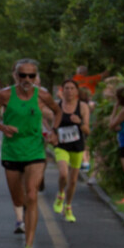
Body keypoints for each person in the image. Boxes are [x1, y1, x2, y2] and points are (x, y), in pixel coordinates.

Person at [0, 59, 61, 248]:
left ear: (36, 77)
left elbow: (58, 111)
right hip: (12, 152)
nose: (27, 79)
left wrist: (54, 131)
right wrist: (3, 128)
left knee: (32, 194)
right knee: (18, 199)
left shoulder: (42, 95)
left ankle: (28, 246)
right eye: (22, 75)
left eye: (31, 75)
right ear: (16, 76)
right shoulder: (5, 95)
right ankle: (23, 212)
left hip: (35, 150)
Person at [52, 78, 90, 222]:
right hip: (61, 146)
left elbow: (87, 130)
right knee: (63, 174)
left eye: (72, 88)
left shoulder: (83, 107)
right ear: (62, 91)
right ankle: (60, 195)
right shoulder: (57, 106)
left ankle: (68, 207)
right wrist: (52, 134)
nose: (69, 91)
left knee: (73, 181)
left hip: (77, 146)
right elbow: (50, 124)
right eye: (66, 88)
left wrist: (79, 122)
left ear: (76, 91)